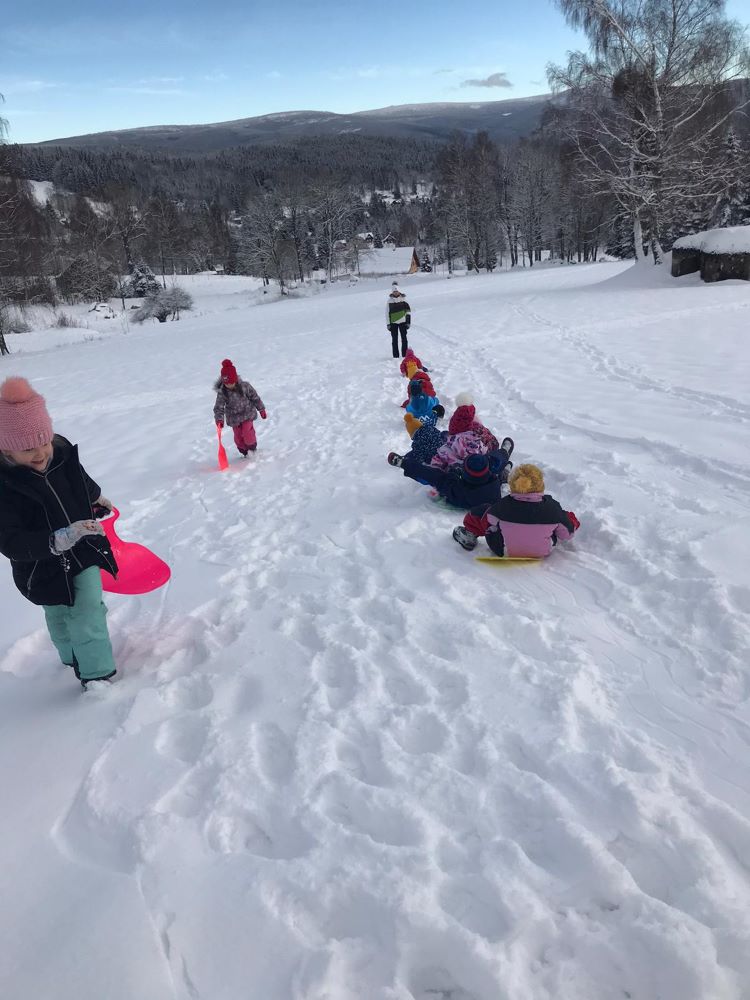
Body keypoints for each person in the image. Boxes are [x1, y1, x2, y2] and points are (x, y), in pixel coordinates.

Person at [0, 377, 119, 688]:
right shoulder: (6, 487)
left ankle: (96, 674)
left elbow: (80, 482)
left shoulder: (62, 455)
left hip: (83, 550)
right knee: (58, 615)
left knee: (89, 609)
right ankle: (70, 656)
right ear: (7, 449)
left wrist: (95, 499)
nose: (40, 453)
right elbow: (9, 540)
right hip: (41, 567)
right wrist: (55, 540)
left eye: (44, 442)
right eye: (27, 449)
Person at [453, 463, 580, 556]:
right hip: (542, 552)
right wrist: (571, 520)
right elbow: (567, 535)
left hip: (503, 551)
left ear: (512, 485)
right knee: (562, 518)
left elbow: (490, 521)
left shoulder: (501, 506)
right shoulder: (553, 508)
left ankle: (469, 533)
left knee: (484, 512)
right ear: (541, 485)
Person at [387, 451, 511, 510]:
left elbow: (429, 474)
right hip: (485, 491)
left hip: (462, 496)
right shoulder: (494, 484)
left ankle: (402, 463)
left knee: (435, 476)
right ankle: (504, 454)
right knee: (495, 463)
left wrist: (453, 474)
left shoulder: (456, 489)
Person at [213, 359, 266, 456]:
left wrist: (261, 409)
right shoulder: (223, 392)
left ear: (235, 379)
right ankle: (244, 452)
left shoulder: (245, 386)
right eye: (226, 383)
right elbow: (219, 407)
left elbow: (255, 397)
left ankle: (252, 449)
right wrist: (219, 420)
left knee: (247, 433)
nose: (229, 385)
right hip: (234, 418)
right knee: (238, 439)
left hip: (247, 414)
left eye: (231, 383)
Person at [430, 404, 505, 472]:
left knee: (444, 435)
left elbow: (436, 464)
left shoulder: (446, 449)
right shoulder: (478, 434)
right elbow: (492, 443)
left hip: (458, 470)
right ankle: (504, 452)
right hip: (484, 457)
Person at [386, 282, 411, 358]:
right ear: (392, 292)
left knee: (404, 339)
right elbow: (387, 313)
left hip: (403, 322)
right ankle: (395, 356)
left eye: (396, 291)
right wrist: (388, 324)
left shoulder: (404, 300)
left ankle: (404, 355)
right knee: (394, 340)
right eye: (394, 291)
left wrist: (408, 322)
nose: (395, 292)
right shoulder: (389, 301)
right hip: (393, 323)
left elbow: (408, 311)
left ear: (399, 291)